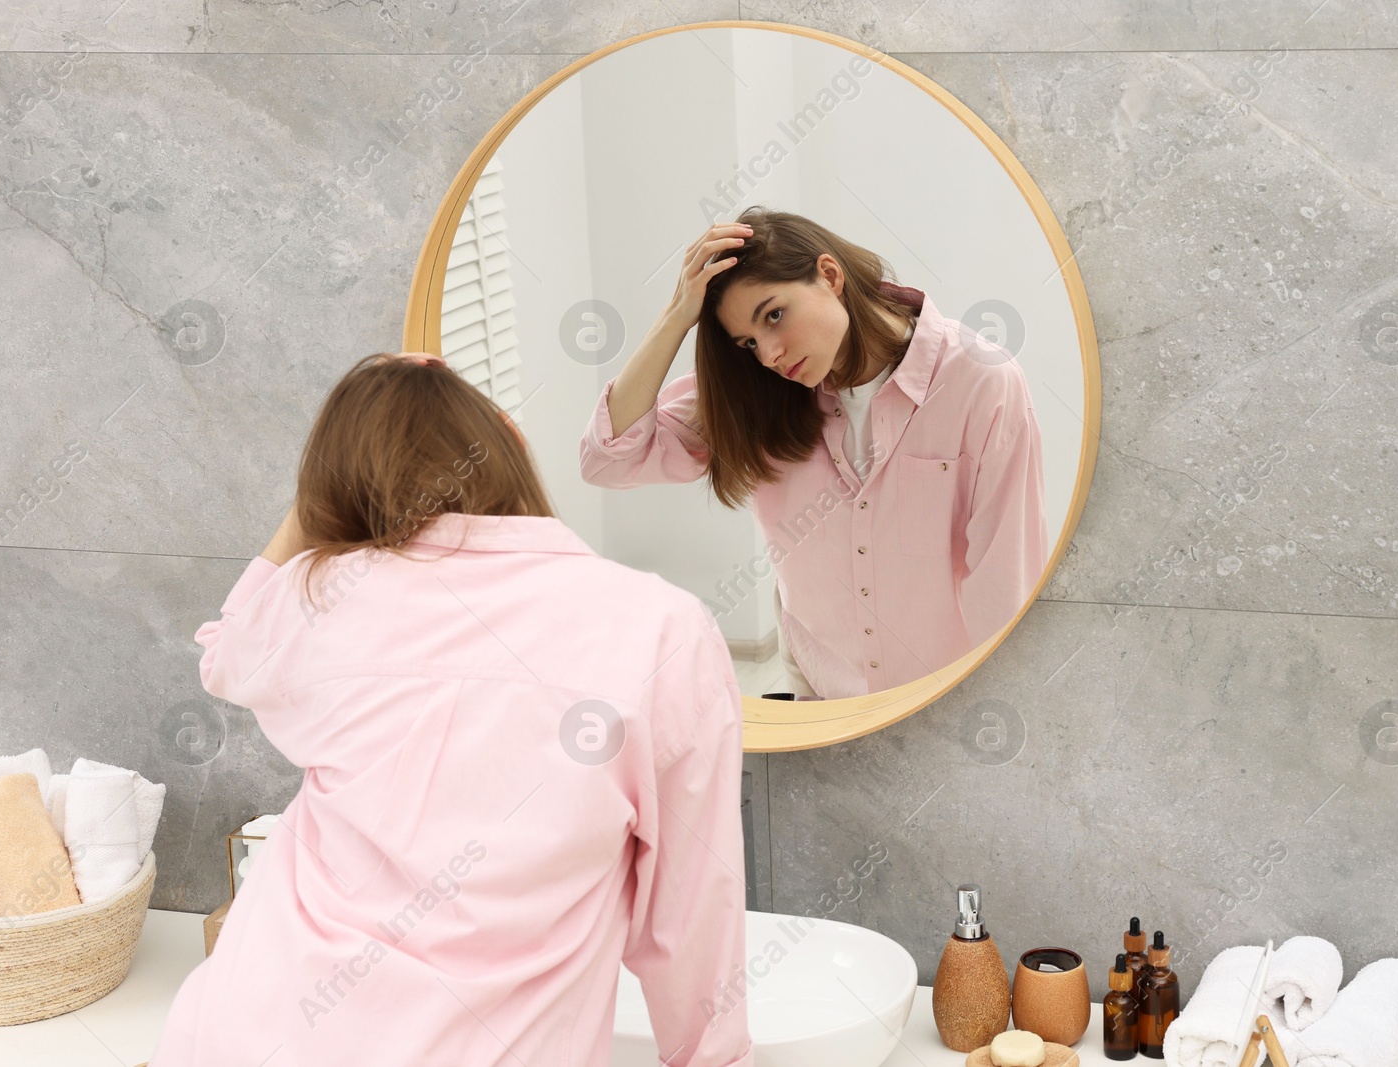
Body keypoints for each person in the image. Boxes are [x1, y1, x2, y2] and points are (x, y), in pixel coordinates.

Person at [150, 353, 753, 1067]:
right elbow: (690, 920)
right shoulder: (659, 628)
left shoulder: (322, 598)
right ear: (514, 441)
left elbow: (227, 645)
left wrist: (318, 494)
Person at [580, 207, 1048, 700]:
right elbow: (608, 461)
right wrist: (677, 316)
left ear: (829, 275)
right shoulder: (756, 394)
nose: (769, 355)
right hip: (821, 696)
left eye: (775, 316)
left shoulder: (979, 380)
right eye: (748, 342)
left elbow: (1004, 583)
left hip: (943, 700)